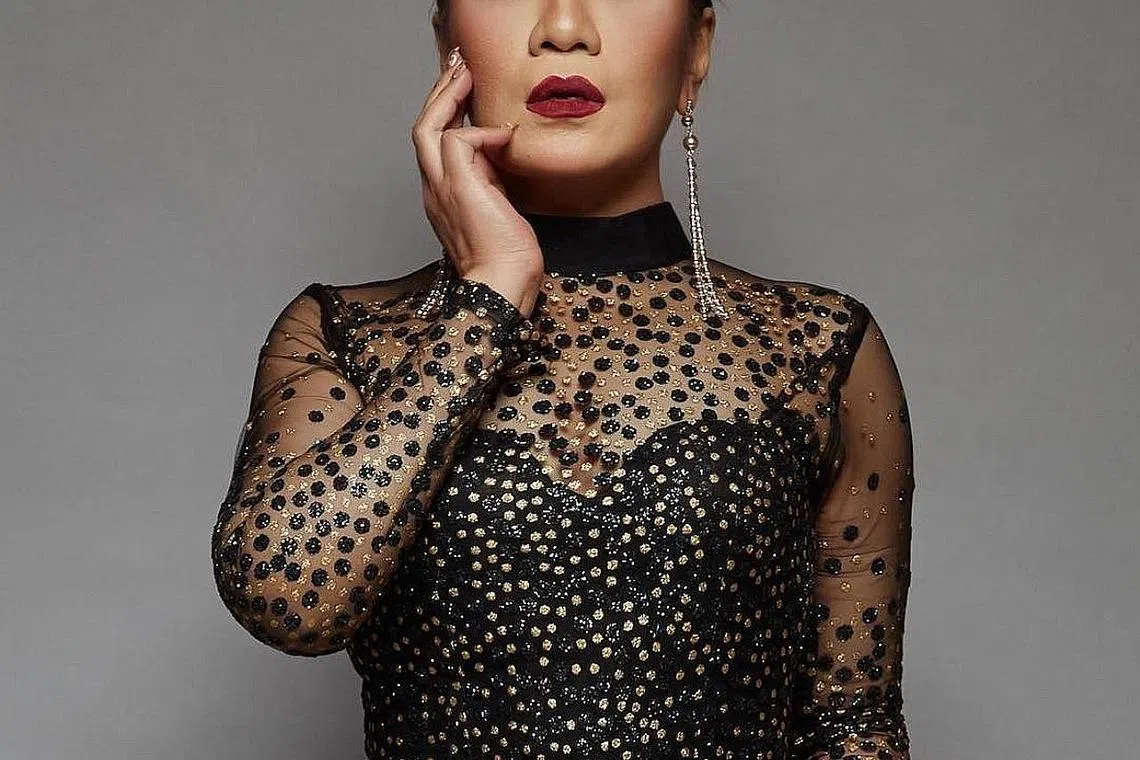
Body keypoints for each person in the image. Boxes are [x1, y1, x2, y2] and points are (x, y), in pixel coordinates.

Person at [210, 1, 916, 758]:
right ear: (450, 45)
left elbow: (855, 727)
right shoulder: (346, 333)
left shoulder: (815, 346)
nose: (565, 28)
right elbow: (288, 601)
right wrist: (490, 297)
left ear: (697, 50)